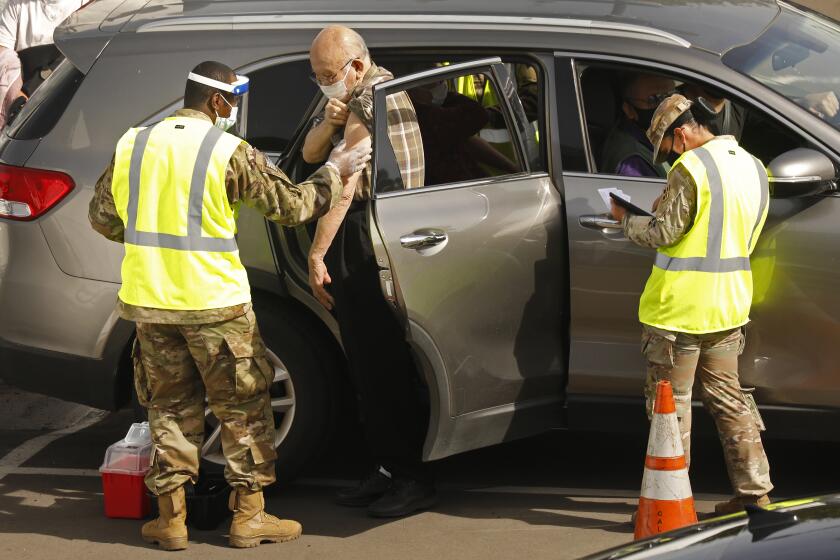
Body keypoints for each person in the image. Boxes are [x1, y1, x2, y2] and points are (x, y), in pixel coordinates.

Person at [88, 60, 371, 550]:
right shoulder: (227, 151)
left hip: (151, 306)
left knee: (170, 411)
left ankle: (171, 521)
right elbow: (293, 207)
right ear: (218, 102)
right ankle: (249, 519)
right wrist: (334, 171)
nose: (233, 111)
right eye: (232, 102)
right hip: (216, 305)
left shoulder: (133, 143)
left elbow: (104, 218)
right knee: (243, 411)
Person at [610, 94, 774, 515]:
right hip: (729, 307)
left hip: (679, 312)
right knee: (730, 400)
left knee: (670, 407)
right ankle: (755, 494)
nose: (667, 157)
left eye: (667, 148)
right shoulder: (753, 165)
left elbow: (664, 233)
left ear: (680, 135)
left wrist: (624, 218)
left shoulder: (691, 168)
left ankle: (671, 503)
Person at [304, 25, 436, 518]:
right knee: (368, 362)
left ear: (355, 67)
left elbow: (345, 181)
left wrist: (318, 254)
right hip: (374, 236)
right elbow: (313, 153)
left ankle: (410, 476)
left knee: (381, 365)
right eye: (316, 75)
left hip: (368, 239)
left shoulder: (371, 98)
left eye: (328, 74)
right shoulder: (361, 94)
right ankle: (387, 467)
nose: (323, 83)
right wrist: (328, 120)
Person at [601, 72, 675, 177]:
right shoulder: (633, 163)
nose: (667, 106)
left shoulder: (656, 140)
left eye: (672, 95)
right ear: (628, 110)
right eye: (654, 99)